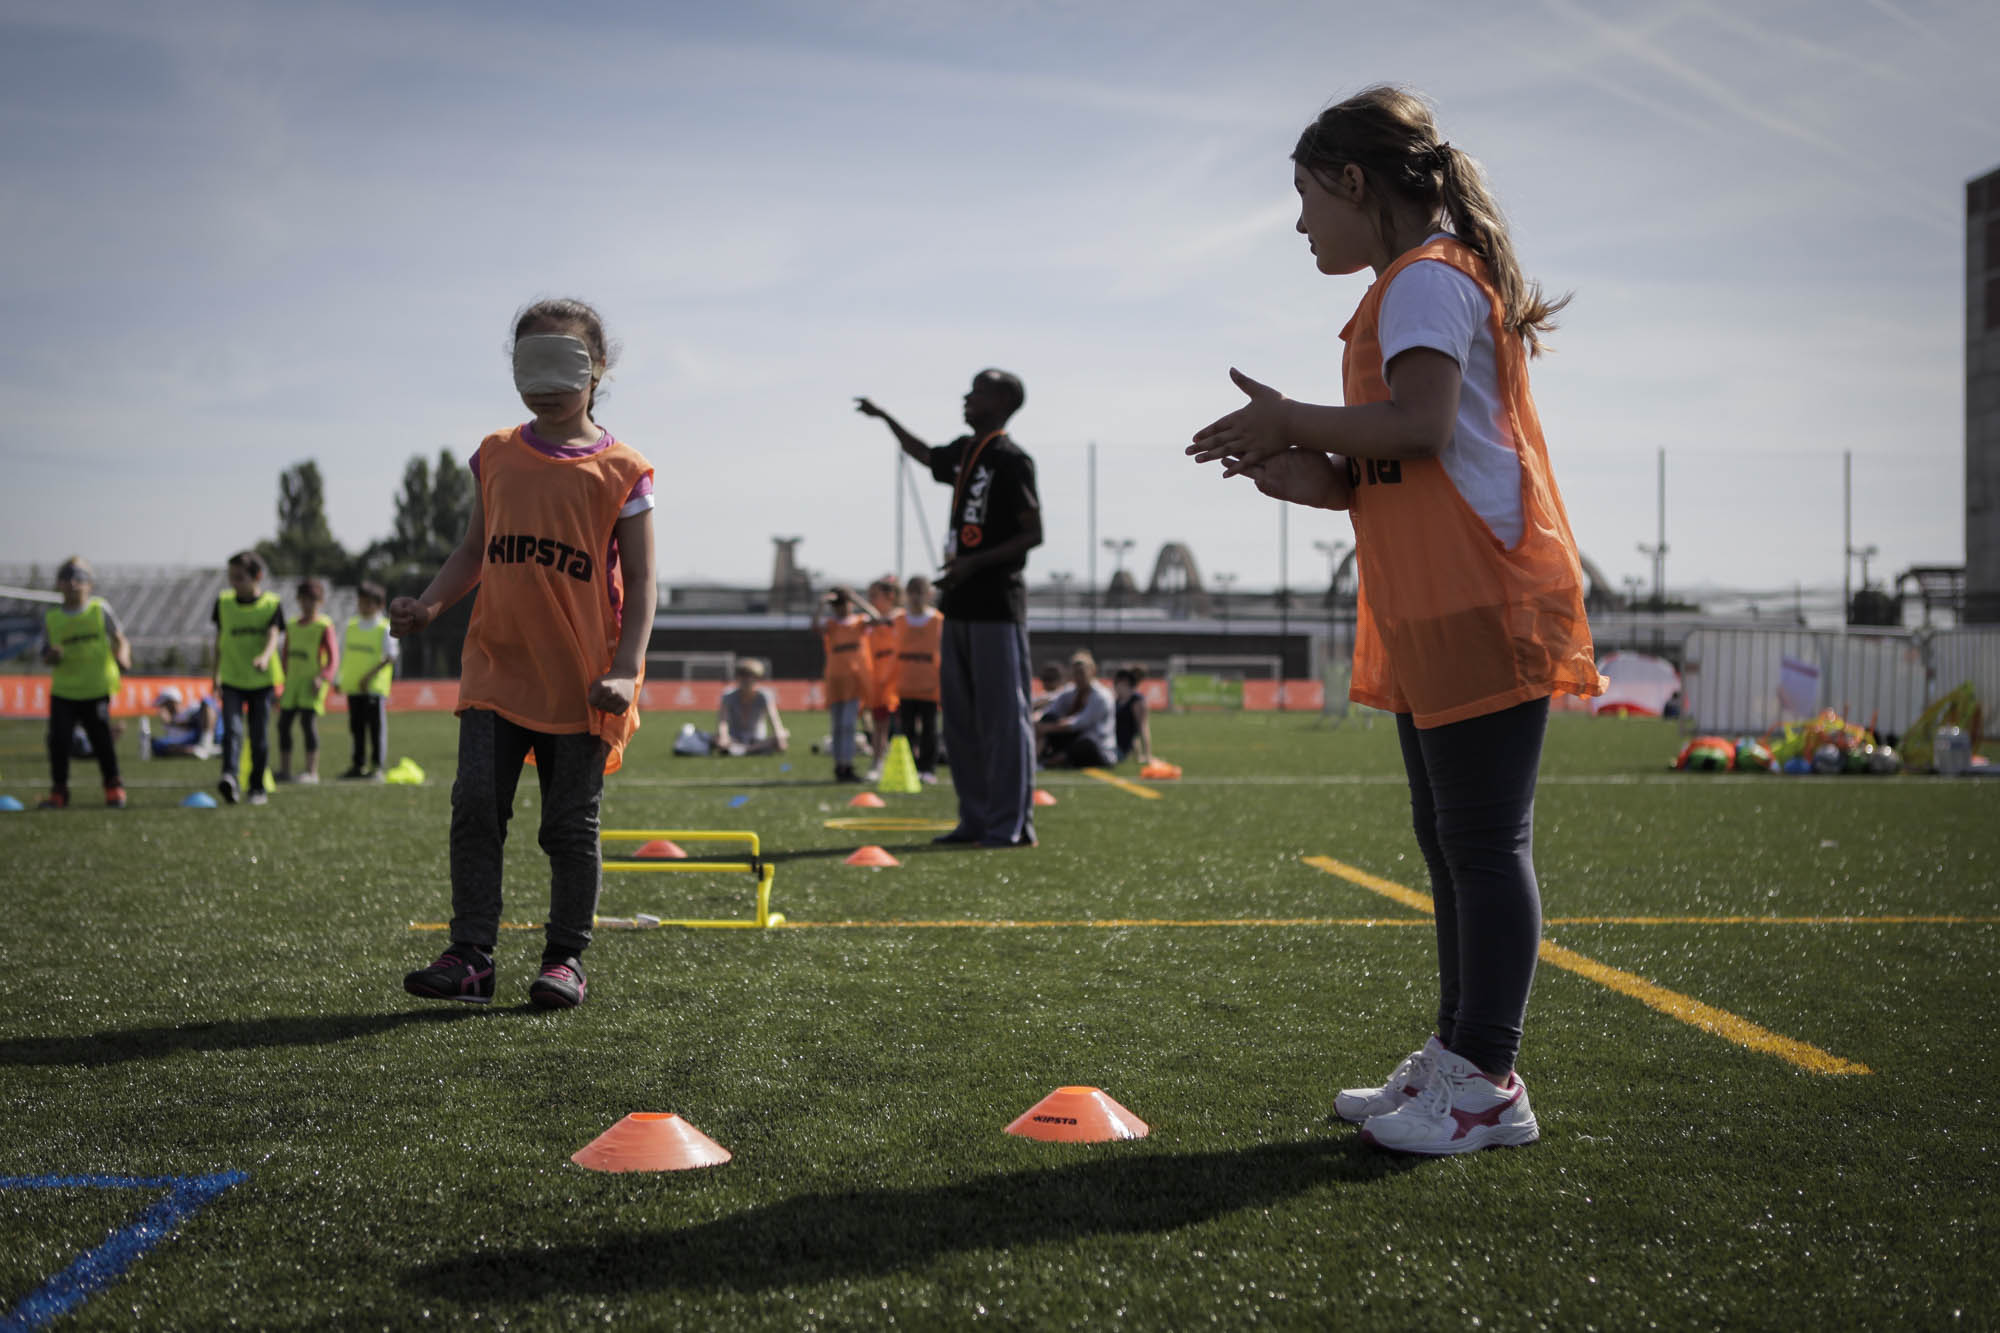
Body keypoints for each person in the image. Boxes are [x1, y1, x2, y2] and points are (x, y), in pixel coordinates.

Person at [1187, 86, 1602, 1155]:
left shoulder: (1424, 281)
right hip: (1430, 597)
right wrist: (1312, 475)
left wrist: (1287, 413)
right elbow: (1396, 458)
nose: (1297, 222)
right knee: (1450, 839)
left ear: (1354, 181)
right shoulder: (1404, 288)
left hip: (1479, 590)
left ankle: (1485, 1077)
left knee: (1479, 840)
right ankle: (1460, 1052)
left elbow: (1417, 421)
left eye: (1303, 194)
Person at [395, 297, 657, 1010]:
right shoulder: (497, 454)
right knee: (475, 804)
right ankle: (471, 954)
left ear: (597, 369)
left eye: (562, 359)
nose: (544, 379)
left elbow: (640, 581)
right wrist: (429, 604)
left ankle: (565, 956)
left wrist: (625, 670)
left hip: (581, 680)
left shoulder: (625, 469)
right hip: (496, 667)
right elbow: (475, 549)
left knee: (568, 824)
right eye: (529, 359)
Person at [855, 369, 1041, 847]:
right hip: (958, 605)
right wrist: (885, 419)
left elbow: (1031, 534)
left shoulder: (1011, 460)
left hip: (997, 609)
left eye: (977, 391)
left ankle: (1010, 826)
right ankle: (975, 819)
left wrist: (974, 563)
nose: (966, 397)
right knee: (961, 721)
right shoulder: (967, 452)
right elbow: (923, 454)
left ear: (1001, 400)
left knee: (1002, 721)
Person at [38, 556, 131, 809]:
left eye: (79, 578)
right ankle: (59, 792)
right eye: (67, 578)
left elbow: (120, 639)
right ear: (59, 584)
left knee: (102, 740)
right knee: (59, 741)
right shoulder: (52, 617)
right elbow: (45, 654)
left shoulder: (99, 609)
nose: (73, 584)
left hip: (95, 688)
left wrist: (123, 655)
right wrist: (51, 656)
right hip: (64, 691)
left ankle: (114, 788)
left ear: (89, 584)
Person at [212, 549, 284, 806]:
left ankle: (256, 787)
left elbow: (274, 635)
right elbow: (219, 640)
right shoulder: (224, 603)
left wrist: (265, 657)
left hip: (262, 682)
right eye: (231, 577)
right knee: (231, 730)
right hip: (231, 679)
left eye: (240, 577)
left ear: (257, 576)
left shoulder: (271, 604)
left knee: (259, 735)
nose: (234, 583)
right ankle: (229, 778)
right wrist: (215, 674)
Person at [275, 577, 339, 784]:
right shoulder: (292, 625)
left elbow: (333, 657)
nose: (307, 604)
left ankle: (312, 772)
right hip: (292, 684)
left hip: (311, 683)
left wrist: (323, 678)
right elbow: (285, 654)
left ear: (320, 602)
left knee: (307, 724)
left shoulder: (324, 625)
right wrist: (282, 679)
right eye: (303, 599)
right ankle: (285, 770)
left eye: (312, 600)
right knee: (283, 725)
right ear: (298, 600)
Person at [812, 586, 877, 782]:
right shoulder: (832, 625)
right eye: (837, 605)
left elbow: (876, 617)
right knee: (837, 726)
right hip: (835, 682)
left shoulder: (858, 622)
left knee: (848, 725)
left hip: (854, 683)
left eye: (843, 604)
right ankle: (839, 765)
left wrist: (856, 599)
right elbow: (815, 625)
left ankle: (847, 764)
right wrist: (822, 604)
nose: (841, 609)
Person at [337, 581, 398, 780]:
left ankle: (376, 767)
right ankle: (358, 765)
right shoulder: (351, 626)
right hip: (354, 688)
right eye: (361, 602)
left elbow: (390, 657)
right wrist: (339, 678)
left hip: (373, 689)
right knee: (356, 728)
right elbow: (344, 654)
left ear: (380, 604)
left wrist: (368, 677)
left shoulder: (384, 627)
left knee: (375, 728)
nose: (363, 606)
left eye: (368, 603)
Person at [895, 575, 943, 783]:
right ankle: (909, 768)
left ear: (929, 595)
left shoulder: (937, 620)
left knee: (929, 730)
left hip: (930, 686)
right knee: (906, 730)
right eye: (912, 593)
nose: (916, 598)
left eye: (920, 593)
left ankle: (928, 768)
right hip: (905, 685)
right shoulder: (899, 619)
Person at [1035, 651, 1119, 768]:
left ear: (1092, 671)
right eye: (1075, 673)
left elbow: (1080, 723)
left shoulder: (1101, 696)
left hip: (1098, 747)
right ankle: (1037, 756)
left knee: (1086, 743)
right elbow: (1053, 708)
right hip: (1075, 737)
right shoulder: (1071, 692)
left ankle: (1054, 760)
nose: (1078, 677)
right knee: (1048, 718)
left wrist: (1048, 728)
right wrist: (1039, 722)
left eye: (1081, 673)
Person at [862, 576, 902, 783]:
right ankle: (878, 762)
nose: (871, 601)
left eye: (874, 597)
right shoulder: (870, 622)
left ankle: (910, 764)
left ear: (890, 596)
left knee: (907, 725)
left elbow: (884, 620)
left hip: (900, 681)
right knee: (880, 724)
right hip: (880, 681)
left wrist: (853, 597)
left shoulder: (900, 617)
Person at [714, 659, 788, 756]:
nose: (747, 680)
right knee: (719, 740)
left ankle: (743, 750)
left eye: (751, 676)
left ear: (757, 678)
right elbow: (723, 721)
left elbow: (774, 720)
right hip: (734, 737)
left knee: (782, 737)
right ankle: (750, 750)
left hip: (757, 738)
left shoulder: (765, 696)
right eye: (743, 676)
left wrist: (779, 735)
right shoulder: (728, 695)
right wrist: (724, 736)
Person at [150, 687, 219, 758]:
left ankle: (206, 745)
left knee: (207, 701)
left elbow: (193, 724)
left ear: (171, 703)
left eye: (163, 705)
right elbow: (177, 739)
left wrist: (171, 722)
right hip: (194, 741)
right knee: (158, 745)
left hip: (212, 733)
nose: (162, 709)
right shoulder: (171, 721)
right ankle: (203, 751)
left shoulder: (192, 708)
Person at [1113, 666, 1154, 766]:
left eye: (1116, 683)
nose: (1114, 686)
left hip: (1118, 750)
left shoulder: (1137, 701)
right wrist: (1138, 757)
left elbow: (1142, 728)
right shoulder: (1118, 701)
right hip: (1111, 745)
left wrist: (1148, 756)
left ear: (1125, 682)